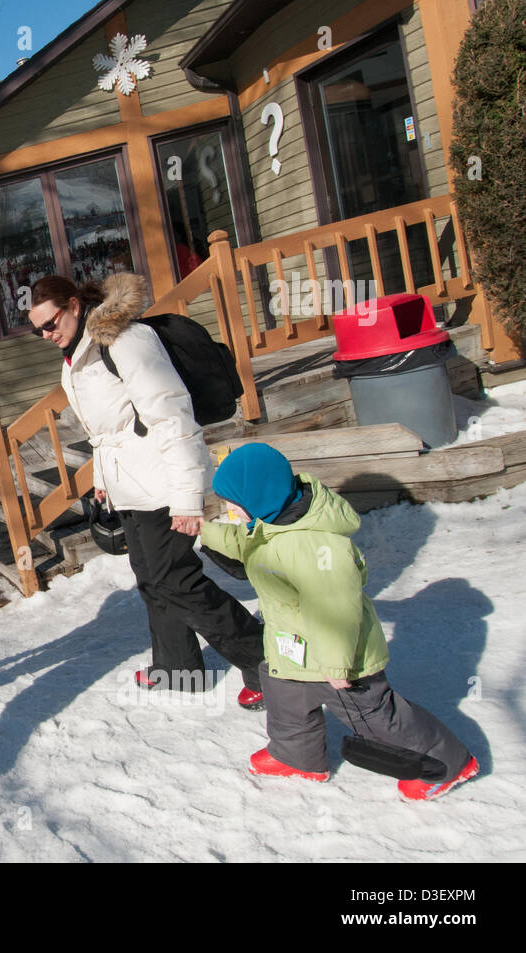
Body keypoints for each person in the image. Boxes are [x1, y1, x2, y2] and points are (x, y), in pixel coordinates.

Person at [27, 272, 265, 708]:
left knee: (177, 581)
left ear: (75, 305)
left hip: (163, 482)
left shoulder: (127, 341)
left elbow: (172, 415)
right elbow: (107, 430)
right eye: (38, 328)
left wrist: (189, 497)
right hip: (128, 486)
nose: (47, 333)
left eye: (52, 321)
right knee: (152, 582)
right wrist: (102, 480)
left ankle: (268, 662)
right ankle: (178, 668)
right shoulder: (77, 358)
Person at [202, 443, 479, 799]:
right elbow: (246, 545)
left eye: (231, 500)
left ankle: (446, 764)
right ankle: (296, 757)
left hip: (337, 658)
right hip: (292, 652)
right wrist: (204, 531)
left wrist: (336, 663)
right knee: (285, 699)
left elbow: (338, 608)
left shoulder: (320, 548)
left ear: (258, 495)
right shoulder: (270, 524)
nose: (226, 508)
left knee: (376, 718)